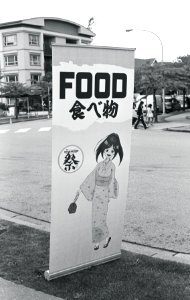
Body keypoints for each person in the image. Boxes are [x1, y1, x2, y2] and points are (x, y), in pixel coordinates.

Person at [70, 133, 123, 251]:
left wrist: (110, 194)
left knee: (101, 218)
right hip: (96, 194)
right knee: (94, 218)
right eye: (108, 150)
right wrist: (81, 187)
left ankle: (105, 237)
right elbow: (92, 177)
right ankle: (97, 242)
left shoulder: (112, 166)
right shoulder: (99, 165)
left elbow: (112, 180)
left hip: (104, 194)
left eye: (112, 151)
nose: (109, 153)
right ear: (104, 151)